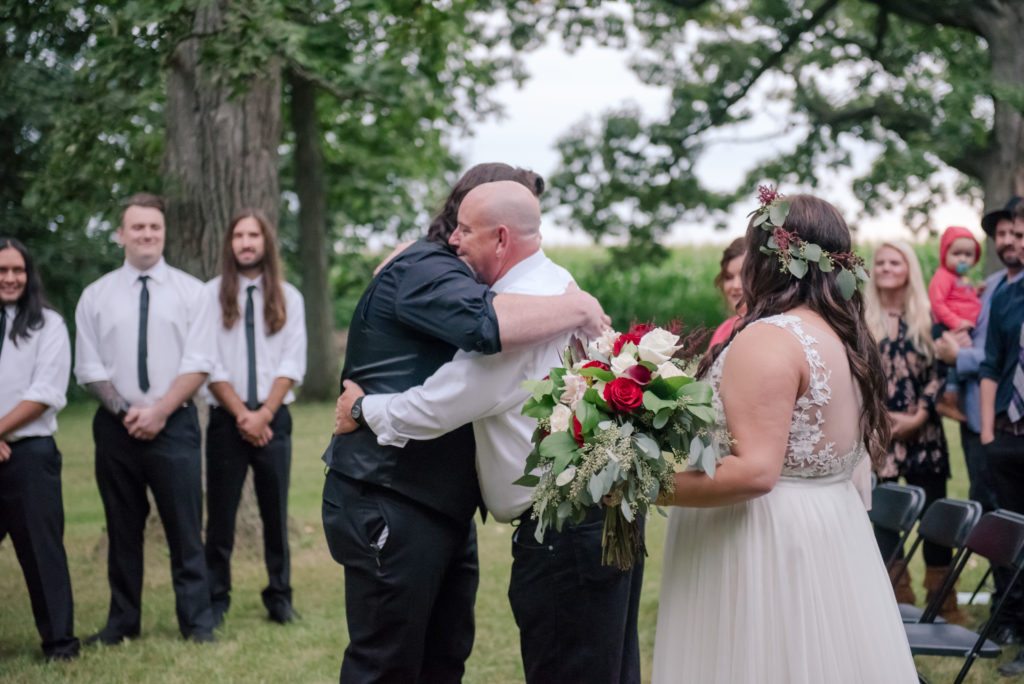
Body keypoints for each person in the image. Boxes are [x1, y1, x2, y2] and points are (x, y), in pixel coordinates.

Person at [334, 179, 641, 684]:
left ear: (501, 239)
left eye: (464, 230)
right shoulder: (558, 282)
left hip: (564, 534)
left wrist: (365, 408)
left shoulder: (521, 314)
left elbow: (441, 404)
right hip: (599, 516)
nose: (452, 241)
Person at [651, 194, 917, 683]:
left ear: (766, 260)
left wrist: (643, 483)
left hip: (764, 541)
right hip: (827, 529)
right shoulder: (843, 335)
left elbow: (755, 470)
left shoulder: (769, 338)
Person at [74, 193, 217, 644]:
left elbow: (200, 361)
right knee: (122, 529)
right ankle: (122, 622)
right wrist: (127, 411)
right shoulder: (95, 295)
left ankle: (196, 623)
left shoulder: (193, 292)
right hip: (115, 428)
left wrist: (158, 411)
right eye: (137, 227)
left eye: (154, 227)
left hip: (174, 426)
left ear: (164, 233)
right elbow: (89, 368)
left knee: (185, 529)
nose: (147, 235)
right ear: (121, 234)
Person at [195, 209, 306, 626]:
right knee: (220, 515)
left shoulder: (289, 297)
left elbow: (293, 363)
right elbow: (207, 362)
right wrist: (244, 415)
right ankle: (215, 597)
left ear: (265, 243)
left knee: (274, 513)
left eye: (253, 235)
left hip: (275, 417)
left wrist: (265, 415)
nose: (245, 242)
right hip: (227, 419)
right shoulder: (208, 296)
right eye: (238, 235)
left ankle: (279, 596)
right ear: (229, 244)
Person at [863, 241, 961, 621]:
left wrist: (919, 415)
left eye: (895, 262)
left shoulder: (930, 315)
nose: (887, 268)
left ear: (908, 269)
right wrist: (880, 418)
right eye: (881, 262)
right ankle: (897, 610)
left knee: (935, 520)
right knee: (887, 521)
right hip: (880, 435)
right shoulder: (860, 316)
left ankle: (944, 607)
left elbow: (942, 373)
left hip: (926, 435)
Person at [0, 238, 80, 661]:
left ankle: (60, 645)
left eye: (18, 270)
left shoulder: (48, 325)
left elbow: (45, 392)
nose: (10, 278)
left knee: (41, 553)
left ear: (29, 276)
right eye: (2, 271)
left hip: (29, 457)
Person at [934, 198, 1023, 514]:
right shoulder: (988, 287)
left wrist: (959, 357)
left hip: (1014, 416)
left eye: (1015, 233)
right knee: (987, 506)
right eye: (1001, 234)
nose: (1008, 241)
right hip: (978, 414)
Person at [980, 201, 1024, 674]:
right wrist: (990, 434)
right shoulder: (1006, 296)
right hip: (1008, 434)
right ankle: (1011, 619)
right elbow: (992, 364)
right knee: (1012, 533)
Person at [928, 226, 982, 420]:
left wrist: (978, 292)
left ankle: (954, 395)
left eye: (968, 255)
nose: (963, 259)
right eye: (956, 253)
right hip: (949, 326)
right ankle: (949, 397)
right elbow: (937, 304)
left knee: (963, 357)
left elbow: (964, 297)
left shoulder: (963, 277)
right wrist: (957, 322)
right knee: (957, 356)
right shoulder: (943, 276)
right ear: (945, 254)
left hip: (960, 325)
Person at [707, 237, 746, 348]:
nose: (735, 285)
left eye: (744, 276)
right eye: (729, 277)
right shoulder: (724, 329)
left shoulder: (769, 328)